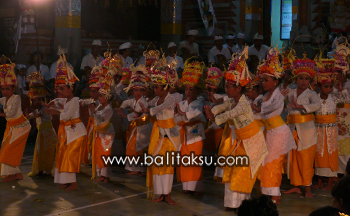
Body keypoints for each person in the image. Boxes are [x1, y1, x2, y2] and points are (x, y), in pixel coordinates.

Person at [204, 46, 267, 211]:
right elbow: (222, 107)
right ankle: (232, 204)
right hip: (239, 141)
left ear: (239, 88)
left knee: (243, 172)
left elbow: (228, 115)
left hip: (251, 141)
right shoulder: (233, 100)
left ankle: (242, 205)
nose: (226, 90)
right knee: (233, 170)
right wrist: (213, 111)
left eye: (228, 87)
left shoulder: (244, 103)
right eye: (225, 87)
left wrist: (213, 117)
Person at [257, 47, 296, 204]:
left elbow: (267, 109)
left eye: (267, 80)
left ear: (275, 81)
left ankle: (275, 194)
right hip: (270, 132)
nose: (264, 83)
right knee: (266, 161)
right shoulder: (265, 95)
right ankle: (267, 191)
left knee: (274, 162)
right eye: (262, 80)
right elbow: (258, 107)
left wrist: (257, 108)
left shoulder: (278, 95)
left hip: (279, 132)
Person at [45, 52, 87, 191]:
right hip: (67, 132)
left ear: (71, 88)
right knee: (62, 155)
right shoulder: (66, 99)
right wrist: (52, 103)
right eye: (58, 89)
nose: (60, 91)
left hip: (75, 133)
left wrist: (55, 112)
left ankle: (73, 182)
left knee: (70, 156)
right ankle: (65, 180)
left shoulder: (74, 100)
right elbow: (58, 101)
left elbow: (67, 116)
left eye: (62, 88)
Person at [141, 56, 180, 205]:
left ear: (165, 87)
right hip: (158, 134)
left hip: (170, 135)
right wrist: (145, 100)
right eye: (154, 87)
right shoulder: (155, 99)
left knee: (168, 165)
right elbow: (146, 105)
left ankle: (167, 195)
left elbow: (158, 109)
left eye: (157, 87)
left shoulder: (170, 98)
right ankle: (160, 194)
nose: (155, 90)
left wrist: (148, 110)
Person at [283, 58, 321, 197]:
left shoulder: (312, 94)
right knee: (293, 158)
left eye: (306, 79)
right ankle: (296, 185)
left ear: (310, 81)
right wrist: (286, 80)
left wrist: (301, 107)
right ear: (296, 79)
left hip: (307, 130)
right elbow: (280, 96)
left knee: (306, 159)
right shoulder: (290, 92)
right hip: (292, 128)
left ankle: (308, 187)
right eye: (300, 78)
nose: (303, 81)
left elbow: (317, 105)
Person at [313, 59, 349, 190]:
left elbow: (346, 100)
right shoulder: (315, 97)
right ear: (319, 87)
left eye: (330, 86)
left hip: (331, 130)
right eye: (325, 86)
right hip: (318, 129)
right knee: (319, 153)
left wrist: (341, 90)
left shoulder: (334, 97)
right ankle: (320, 180)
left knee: (330, 153)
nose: (328, 89)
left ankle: (329, 182)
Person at [175, 58, 206, 196]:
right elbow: (177, 117)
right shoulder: (182, 103)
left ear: (198, 91)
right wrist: (179, 115)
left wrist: (182, 114)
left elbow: (196, 114)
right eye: (186, 89)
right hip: (184, 135)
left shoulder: (199, 102)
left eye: (191, 89)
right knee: (185, 161)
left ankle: (197, 188)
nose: (188, 92)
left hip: (195, 134)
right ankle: (187, 187)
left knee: (195, 161)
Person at [117, 65, 152, 176]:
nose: (138, 92)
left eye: (140, 90)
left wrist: (126, 116)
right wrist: (122, 108)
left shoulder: (144, 102)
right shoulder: (133, 100)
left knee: (140, 148)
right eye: (136, 90)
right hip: (137, 127)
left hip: (143, 128)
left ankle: (140, 169)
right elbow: (126, 103)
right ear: (132, 91)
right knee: (134, 147)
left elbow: (139, 114)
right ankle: (138, 169)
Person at [0, 62, 31, 182]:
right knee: (7, 150)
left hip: (22, 127)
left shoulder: (16, 98)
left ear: (13, 88)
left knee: (10, 150)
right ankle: (15, 174)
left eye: (7, 89)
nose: (5, 91)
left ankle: (13, 174)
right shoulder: (4, 99)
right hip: (12, 128)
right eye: (2, 89)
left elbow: (11, 114)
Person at [26, 72, 58, 177]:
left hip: (48, 134)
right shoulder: (38, 109)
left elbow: (38, 115)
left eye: (38, 100)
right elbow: (32, 115)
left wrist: (33, 115)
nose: (36, 102)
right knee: (40, 153)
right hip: (42, 134)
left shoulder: (45, 108)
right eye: (35, 100)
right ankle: (40, 169)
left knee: (47, 153)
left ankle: (46, 170)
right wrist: (27, 116)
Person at [90, 72, 115, 183]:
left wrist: (94, 112)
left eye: (101, 96)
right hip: (100, 133)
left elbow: (100, 118)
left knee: (105, 153)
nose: (99, 98)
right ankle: (100, 175)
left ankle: (106, 176)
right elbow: (95, 115)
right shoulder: (100, 106)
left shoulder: (109, 109)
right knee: (99, 152)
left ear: (107, 97)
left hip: (107, 133)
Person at [80, 66, 102, 164]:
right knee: (90, 141)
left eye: (94, 91)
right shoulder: (91, 100)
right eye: (91, 91)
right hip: (92, 125)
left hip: (100, 126)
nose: (92, 93)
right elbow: (82, 102)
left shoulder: (101, 102)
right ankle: (91, 158)